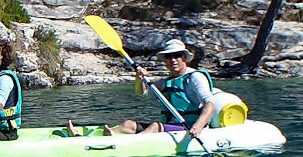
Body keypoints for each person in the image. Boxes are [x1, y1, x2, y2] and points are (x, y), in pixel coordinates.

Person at [67, 38, 215, 137]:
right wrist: (140, 78)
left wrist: (199, 125)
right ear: (165, 60)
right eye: (169, 57)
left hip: (189, 129)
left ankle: (128, 145)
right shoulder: (166, 82)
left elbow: (210, 104)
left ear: (184, 57)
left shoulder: (194, 77)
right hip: (172, 128)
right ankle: (94, 137)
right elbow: (141, 91)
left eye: (176, 55)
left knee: (156, 126)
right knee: (129, 124)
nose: (173, 60)